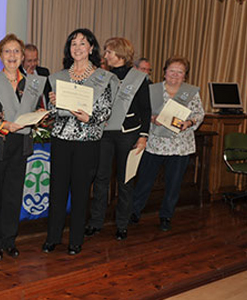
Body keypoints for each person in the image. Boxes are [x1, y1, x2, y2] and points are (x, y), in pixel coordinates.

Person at [42, 28, 117, 255]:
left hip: (87, 140)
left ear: (91, 48)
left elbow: (106, 110)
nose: (77, 48)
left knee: (81, 191)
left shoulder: (104, 78)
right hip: (61, 139)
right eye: (73, 44)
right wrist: (53, 102)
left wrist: (90, 117)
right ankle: (53, 237)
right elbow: (53, 112)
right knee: (57, 190)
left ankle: (76, 240)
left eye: (82, 43)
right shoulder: (58, 77)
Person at [0, 34, 46, 261]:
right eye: (7, 51)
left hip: (20, 144)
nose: (12, 56)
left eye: (16, 51)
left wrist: (40, 115)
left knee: (13, 196)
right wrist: (5, 124)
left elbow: (36, 111)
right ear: (0, 56)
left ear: (23, 56)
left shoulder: (31, 84)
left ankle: (9, 240)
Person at [86, 37, 151, 241]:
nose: (105, 56)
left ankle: (122, 224)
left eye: (109, 52)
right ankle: (96, 222)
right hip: (104, 134)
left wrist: (143, 137)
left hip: (128, 133)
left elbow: (146, 110)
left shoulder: (139, 78)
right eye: (105, 52)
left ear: (121, 54)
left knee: (125, 180)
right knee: (101, 179)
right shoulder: (102, 76)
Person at [131, 56, 204, 232]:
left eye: (180, 72)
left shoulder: (191, 92)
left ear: (185, 76)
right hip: (154, 142)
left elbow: (199, 114)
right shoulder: (151, 90)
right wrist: (151, 119)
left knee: (174, 184)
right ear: (164, 72)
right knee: (145, 181)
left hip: (180, 145)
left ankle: (166, 216)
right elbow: (139, 111)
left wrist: (189, 122)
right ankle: (134, 212)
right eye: (172, 70)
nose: (175, 75)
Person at [19, 44, 51, 108]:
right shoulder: (17, 74)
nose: (33, 64)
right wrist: (28, 79)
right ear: (22, 60)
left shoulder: (44, 72)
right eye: (29, 61)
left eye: (35, 60)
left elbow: (48, 95)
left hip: (45, 112)